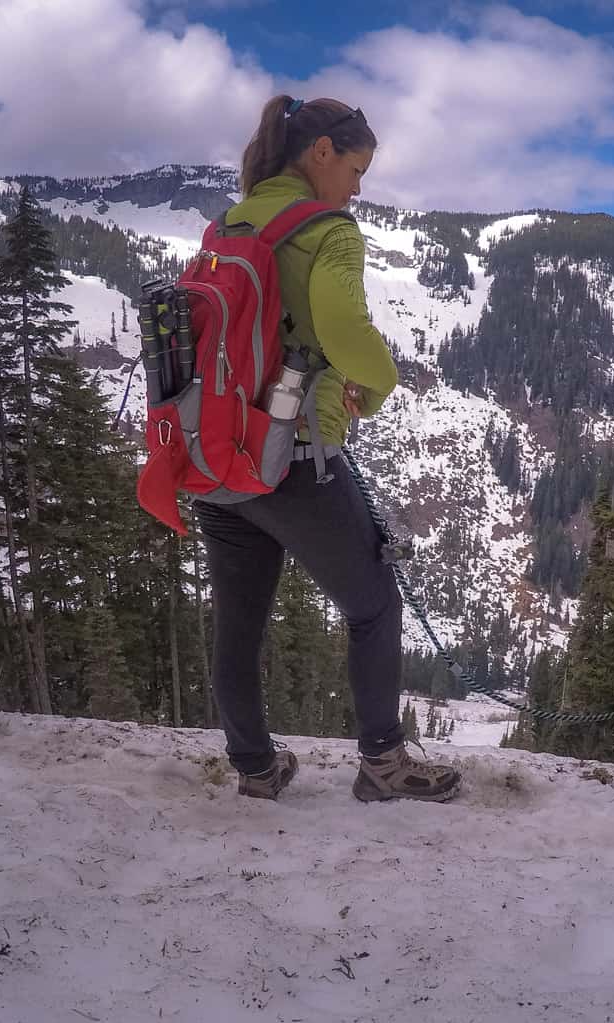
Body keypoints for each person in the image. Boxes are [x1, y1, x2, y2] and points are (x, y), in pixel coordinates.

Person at [194, 95, 462, 804]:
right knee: (374, 604)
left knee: (238, 626)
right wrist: (378, 386)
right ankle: (382, 763)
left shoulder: (231, 221)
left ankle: (255, 767)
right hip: (293, 456)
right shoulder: (327, 229)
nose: (359, 187)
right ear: (320, 154)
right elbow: (344, 331)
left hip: (217, 452)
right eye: (356, 167)